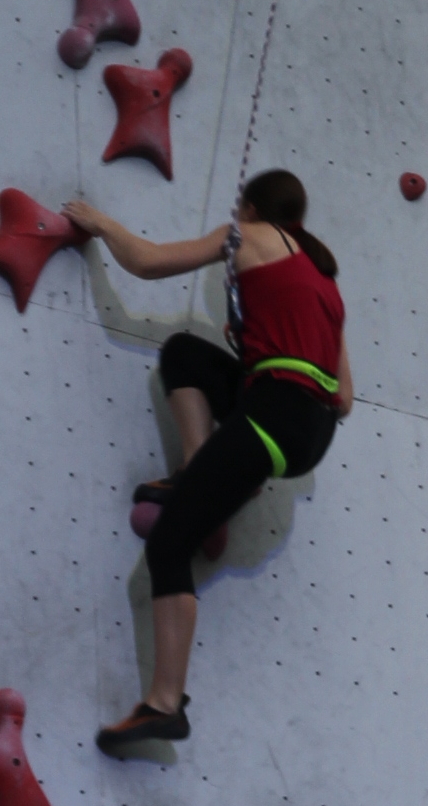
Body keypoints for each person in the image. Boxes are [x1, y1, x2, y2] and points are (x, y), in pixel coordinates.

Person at [62, 171, 353, 754]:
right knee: (187, 355)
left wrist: (100, 225)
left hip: (274, 412)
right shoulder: (325, 282)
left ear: (249, 207)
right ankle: (198, 476)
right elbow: (344, 398)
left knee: (169, 544)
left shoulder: (244, 234)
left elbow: (146, 262)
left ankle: (165, 704)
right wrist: (257, 355)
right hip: (310, 431)